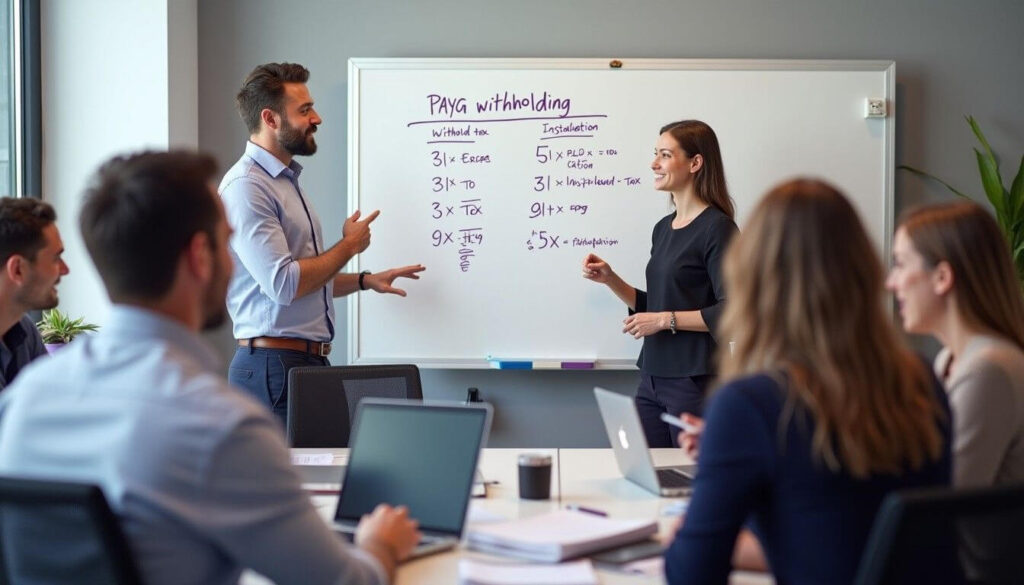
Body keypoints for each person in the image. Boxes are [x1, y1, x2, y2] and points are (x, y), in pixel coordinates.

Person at [0, 151, 420, 585]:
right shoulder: (220, 427)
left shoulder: (23, 402)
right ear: (201, 256)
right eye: (229, 240)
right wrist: (380, 543)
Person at [664, 179, 953, 585]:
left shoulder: (750, 403)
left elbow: (690, 572)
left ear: (753, 278)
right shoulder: (920, 380)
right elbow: (839, 525)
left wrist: (693, 522)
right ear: (863, 269)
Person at [221, 62, 425, 423]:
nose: (317, 118)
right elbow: (285, 284)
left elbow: (306, 281)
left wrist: (365, 281)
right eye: (304, 110)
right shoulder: (247, 188)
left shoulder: (285, 182)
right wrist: (348, 246)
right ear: (270, 119)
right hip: (273, 367)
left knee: (325, 473)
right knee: (288, 479)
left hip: (303, 363)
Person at [886, 201, 1024, 580]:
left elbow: (938, 499)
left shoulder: (989, 370)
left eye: (899, 264)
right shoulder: (953, 358)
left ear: (942, 277)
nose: (890, 282)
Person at [582, 120, 737, 447]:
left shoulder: (718, 229)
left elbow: (733, 313)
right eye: (655, 155)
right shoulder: (663, 228)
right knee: (645, 474)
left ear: (695, 163)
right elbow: (660, 305)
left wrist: (664, 321)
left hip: (693, 380)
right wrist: (611, 280)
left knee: (688, 477)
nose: (654, 164)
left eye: (665, 155)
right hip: (652, 377)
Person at [0, 197, 69, 391]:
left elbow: (51, 402)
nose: (65, 270)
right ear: (18, 270)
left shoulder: (24, 330)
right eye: (56, 258)